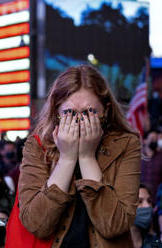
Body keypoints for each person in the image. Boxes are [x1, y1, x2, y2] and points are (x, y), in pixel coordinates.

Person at [17, 65, 141, 247]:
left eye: (89, 112)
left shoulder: (126, 144)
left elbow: (114, 226)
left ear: (105, 110)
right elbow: (36, 224)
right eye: (68, 113)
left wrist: (86, 157)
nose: (79, 121)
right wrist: (67, 159)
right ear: (56, 111)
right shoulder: (37, 145)